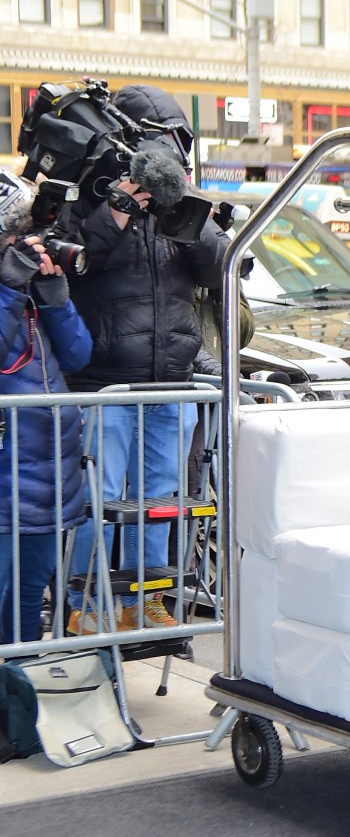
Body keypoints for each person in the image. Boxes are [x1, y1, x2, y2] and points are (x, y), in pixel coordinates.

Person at [63, 85, 229, 634]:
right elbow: (77, 262)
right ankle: (83, 605)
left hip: (170, 383)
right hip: (103, 383)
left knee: (159, 500)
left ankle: (147, 597)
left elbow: (219, 270)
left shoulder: (180, 204)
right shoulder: (92, 194)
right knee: (100, 498)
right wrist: (119, 208)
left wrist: (185, 204)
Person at [0, 171, 92, 645]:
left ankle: (16, 709)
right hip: (7, 489)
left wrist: (55, 301)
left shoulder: (25, 293)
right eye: (15, 237)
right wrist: (9, 290)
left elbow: (78, 355)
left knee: (26, 606)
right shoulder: (10, 293)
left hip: (47, 490)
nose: (27, 246)